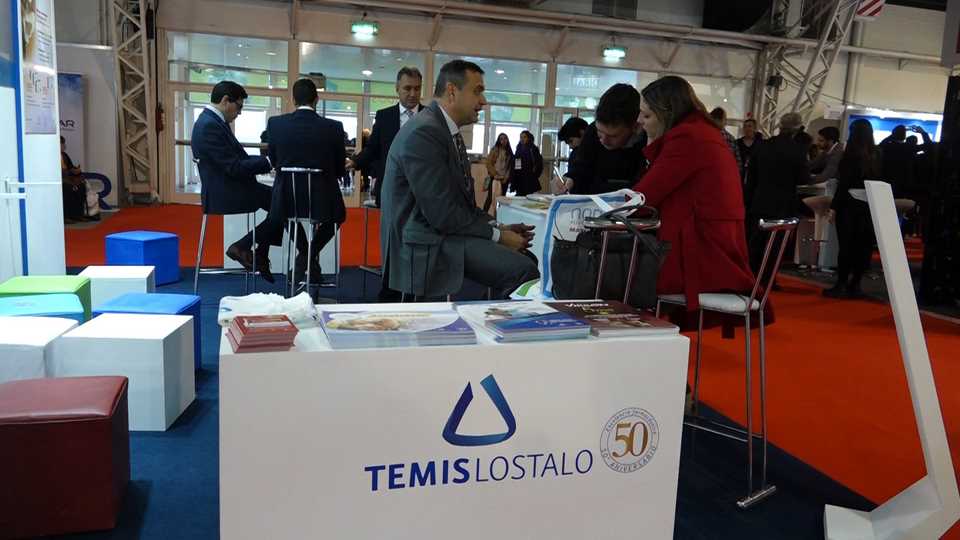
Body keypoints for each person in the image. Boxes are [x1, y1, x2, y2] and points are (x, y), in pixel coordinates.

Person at [380, 59, 539, 300]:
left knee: (527, 261)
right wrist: (499, 236)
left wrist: (498, 227)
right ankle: (496, 322)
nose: (483, 101)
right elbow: (442, 214)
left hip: (440, 234)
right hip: (425, 243)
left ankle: (490, 318)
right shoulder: (426, 132)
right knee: (523, 270)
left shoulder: (444, 130)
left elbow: (462, 205)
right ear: (452, 91)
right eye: (477, 91)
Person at [632, 75, 755, 316]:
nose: (639, 121)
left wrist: (598, 206)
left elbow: (644, 197)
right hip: (722, 250)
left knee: (615, 272)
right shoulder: (705, 131)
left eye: (646, 116)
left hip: (701, 256)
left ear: (667, 113)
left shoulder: (686, 137)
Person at [265, 78, 347, 284]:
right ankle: (307, 258)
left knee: (285, 215)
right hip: (323, 200)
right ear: (316, 99)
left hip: (287, 198)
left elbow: (274, 161)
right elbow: (339, 169)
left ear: (293, 100)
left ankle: (304, 257)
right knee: (338, 216)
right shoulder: (334, 127)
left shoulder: (276, 124)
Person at [191, 80, 275, 281]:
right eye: (239, 107)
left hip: (229, 187)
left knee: (281, 203)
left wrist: (266, 162)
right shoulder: (210, 125)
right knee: (283, 203)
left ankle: (259, 252)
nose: (240, 113)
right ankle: (245, 247)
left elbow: (237, 160)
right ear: (225, 101)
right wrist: (269, 162)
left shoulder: (213, 122)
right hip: (226, 193)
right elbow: (234, 167)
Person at [347, 66, 424, 207]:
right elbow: (372, 148)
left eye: (417, 88)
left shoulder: (430, 117)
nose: (413, 94)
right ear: (397, 88)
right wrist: (354, 162)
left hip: (422, 190)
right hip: (390, 187)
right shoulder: (384, 116)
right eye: (407, 88)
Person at [824, 119, 884, 299]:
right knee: (863, 246)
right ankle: (855, 284)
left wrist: (834, 207)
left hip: (849, 205)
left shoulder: (850, 155)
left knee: (846, 246)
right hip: (869, 205)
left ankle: (841, 283)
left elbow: (844, 184)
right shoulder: (877, 154)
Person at [744, 112, 810, 274]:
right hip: (783, 204)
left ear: (780, 126)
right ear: (797, 129)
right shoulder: (798, 150)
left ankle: (750, 276)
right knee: (776, 246)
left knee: (756, 242)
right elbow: (803, 178)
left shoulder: (762, 146)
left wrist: (748, 200)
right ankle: (768, 278)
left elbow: (751, 176)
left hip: (760, 201)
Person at [560, 83, 648, 194]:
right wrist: (570, 179)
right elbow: (581, 168)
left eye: (613, 136)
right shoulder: (592, 131)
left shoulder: (646, 141)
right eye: (600, 133)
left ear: (635, 127)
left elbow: (641, 186)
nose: (604, 140)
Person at [60, 136, 98, 223]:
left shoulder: (65, 155)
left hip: (68, 178)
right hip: (61, 180)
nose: (64, 146)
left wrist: (76, 170)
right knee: (67, 188)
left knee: (81, 187)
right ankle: (66, 216)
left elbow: (71, 167)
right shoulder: (50, 156)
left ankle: (78, 215)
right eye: (62, 144)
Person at [483, 133, 513, 213]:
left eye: (505, 138)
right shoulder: (495, 150)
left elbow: (510, 167)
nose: (503, 140)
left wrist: (506, 177)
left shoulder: (509, 152)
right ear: (499, 140)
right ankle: (484, 214)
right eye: (501, 139)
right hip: (494, 177)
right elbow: (488, 163)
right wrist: (495, 174)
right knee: (490, 197)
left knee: (502, 198)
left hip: (504, 178)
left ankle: (500, 215)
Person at [709, 107, 742, 177]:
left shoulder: (705, 135)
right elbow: (738, 164)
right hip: (725, 176)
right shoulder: (730, 139)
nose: (726, 123)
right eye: (725, 120)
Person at [509, 130, 543, 196]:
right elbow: (517, 162)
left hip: (529, 177)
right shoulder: (518, 148)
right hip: (519, 176)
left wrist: (534, 174)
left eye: (524, 137)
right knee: (519, 195)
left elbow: (538, 163)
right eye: (521, 137)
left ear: (528, 138)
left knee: (527, 195)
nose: (522, 139)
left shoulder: (533, 148)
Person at [736, 118, 764, 183]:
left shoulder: (761, 144)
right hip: (739, 175)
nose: (747, 128)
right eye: (745, 126)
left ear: (755, 129)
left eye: (749, 126)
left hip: (755, 177)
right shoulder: (737, 143)